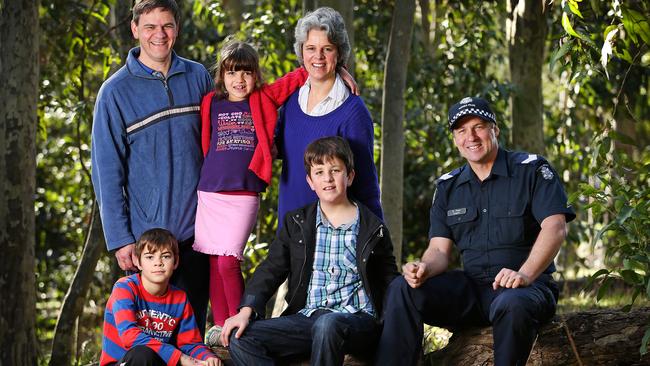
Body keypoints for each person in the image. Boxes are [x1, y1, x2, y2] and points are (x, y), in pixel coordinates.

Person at [375, 97, 576, 366]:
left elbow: (555, 227)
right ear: (456, 139)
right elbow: (438, 250)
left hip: (527, 287)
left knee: (511, 304)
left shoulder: (532, 169)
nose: (471, 136)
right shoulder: (448, 186)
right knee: (403, 287)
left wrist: (524, 274)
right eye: (461, 130)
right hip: (472, 289)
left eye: (479, 126)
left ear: (495, 130)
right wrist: (423, 267)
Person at [220, 136, 398, 365]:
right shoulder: (297, 223)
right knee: (241, 337)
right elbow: (271, 269)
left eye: (335, 170)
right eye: (319, 172)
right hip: (307, 318)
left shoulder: (373, 228)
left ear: (350, 176)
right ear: (310, 181)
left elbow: (390, 281)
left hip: (356, 321)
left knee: (328, 325)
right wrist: (247, 309)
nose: (328, 179)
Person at [91, 0, 212, 335]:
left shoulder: (198, 76)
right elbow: (106, 172)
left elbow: (231, 121)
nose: (160, 35)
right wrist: (120, 239)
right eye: (150, 27)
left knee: (193, 338)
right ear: (135, 29)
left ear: (177, 28)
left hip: (197, 236)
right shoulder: (114, 93)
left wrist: (323, 76)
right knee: (152, 345)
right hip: (148, 246)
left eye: (167, 26)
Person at [276, 7, 383, 227]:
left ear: (339, 53)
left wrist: (378, 244)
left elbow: (366, 186)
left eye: (327, 48)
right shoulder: (290, 100)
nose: (318, 57)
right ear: (301, 51)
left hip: (333, 238)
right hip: (289, 231)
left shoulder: (353, 111)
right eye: (311, 48)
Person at [99, 228, 222, 366]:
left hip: (155, 362)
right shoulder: (125, 288)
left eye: (166, 256)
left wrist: (208, 357)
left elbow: (191, 344)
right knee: (142, 354)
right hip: (123, 362)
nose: (158, 262)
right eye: (150, 257)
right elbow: (129, 336)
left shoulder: (179, 298)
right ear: (138, 262)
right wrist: (179, 357)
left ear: (175, 262)